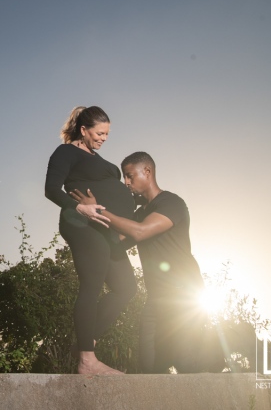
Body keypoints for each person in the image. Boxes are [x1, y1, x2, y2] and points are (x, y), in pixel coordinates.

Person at [70, 151, 208, 373]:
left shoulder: (171, 202)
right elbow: (117, 241)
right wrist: (85, 219)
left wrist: (100, 209)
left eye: (129, 176)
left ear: (147, 171)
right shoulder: (139, 213)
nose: (126, 183)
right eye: (124, 177)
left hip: (185, 298)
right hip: (155, 301)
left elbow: (141, 232)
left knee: (188, 366)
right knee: (148, 371)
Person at [44, 106, 137, 375]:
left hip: (106, 230)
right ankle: (87, 360)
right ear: (83, 130)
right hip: (83, 225)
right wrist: (78, 208)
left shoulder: (95, 157)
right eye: (99, 133)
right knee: (92, 286)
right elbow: (51, 188)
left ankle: (86, 339)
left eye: (107, 133)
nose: (104, 138)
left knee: (126, 288)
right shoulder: (66, 152)